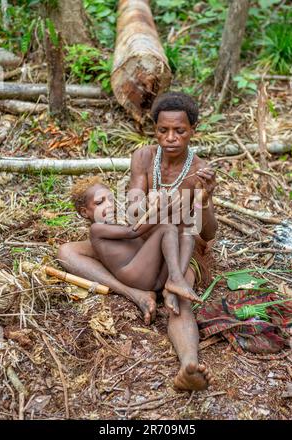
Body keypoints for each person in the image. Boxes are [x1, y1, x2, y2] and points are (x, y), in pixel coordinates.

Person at [58, 91, 217, 391]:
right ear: (154, 129)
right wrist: (169, 205)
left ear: (193, 130)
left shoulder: (200, 169)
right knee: (67, 252)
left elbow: (206, 233)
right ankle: (134, 293)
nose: (170, 137)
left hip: (183, 248)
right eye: (163, 130)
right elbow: (134, 215)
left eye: (180, 131)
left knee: (180, 299)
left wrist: (204, 200)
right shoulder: (143, 157)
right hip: (144, 240)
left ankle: (188, 365)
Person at [71, 176, 200, 303]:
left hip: (153, 276)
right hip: (135, 277)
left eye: (111, 199)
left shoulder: (115, 225)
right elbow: (132, 232)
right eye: (100, 202)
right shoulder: (96, 229)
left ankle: (173, 285)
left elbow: (141, 235)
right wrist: (166, 212)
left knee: (187, 237)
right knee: (167, 228)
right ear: (84, 212)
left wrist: (158, 209)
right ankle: (175, 279)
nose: (109, 205)